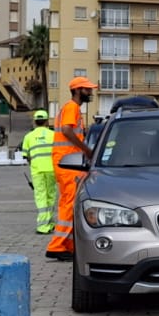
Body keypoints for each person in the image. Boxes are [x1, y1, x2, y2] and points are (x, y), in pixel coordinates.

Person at [46, 77, 96, 261]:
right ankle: (57, 246)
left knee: (68, 203)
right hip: (68, 163)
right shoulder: (72, 107)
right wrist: (86, 150)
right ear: (77, 90)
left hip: (68, 161)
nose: (90, 93)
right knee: (69, 204)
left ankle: (66, 245)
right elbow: (67, 130)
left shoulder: (72, 108)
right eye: (87, 90)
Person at [20, 110, 57, 235]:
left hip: (37, 171)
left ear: (35, 122)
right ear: (47, 121)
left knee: (41, 197)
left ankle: (43, 226)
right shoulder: (53, 135)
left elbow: (26, 155)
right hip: (52, 170)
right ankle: (50, 223)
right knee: (51, 196)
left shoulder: (28, 137)